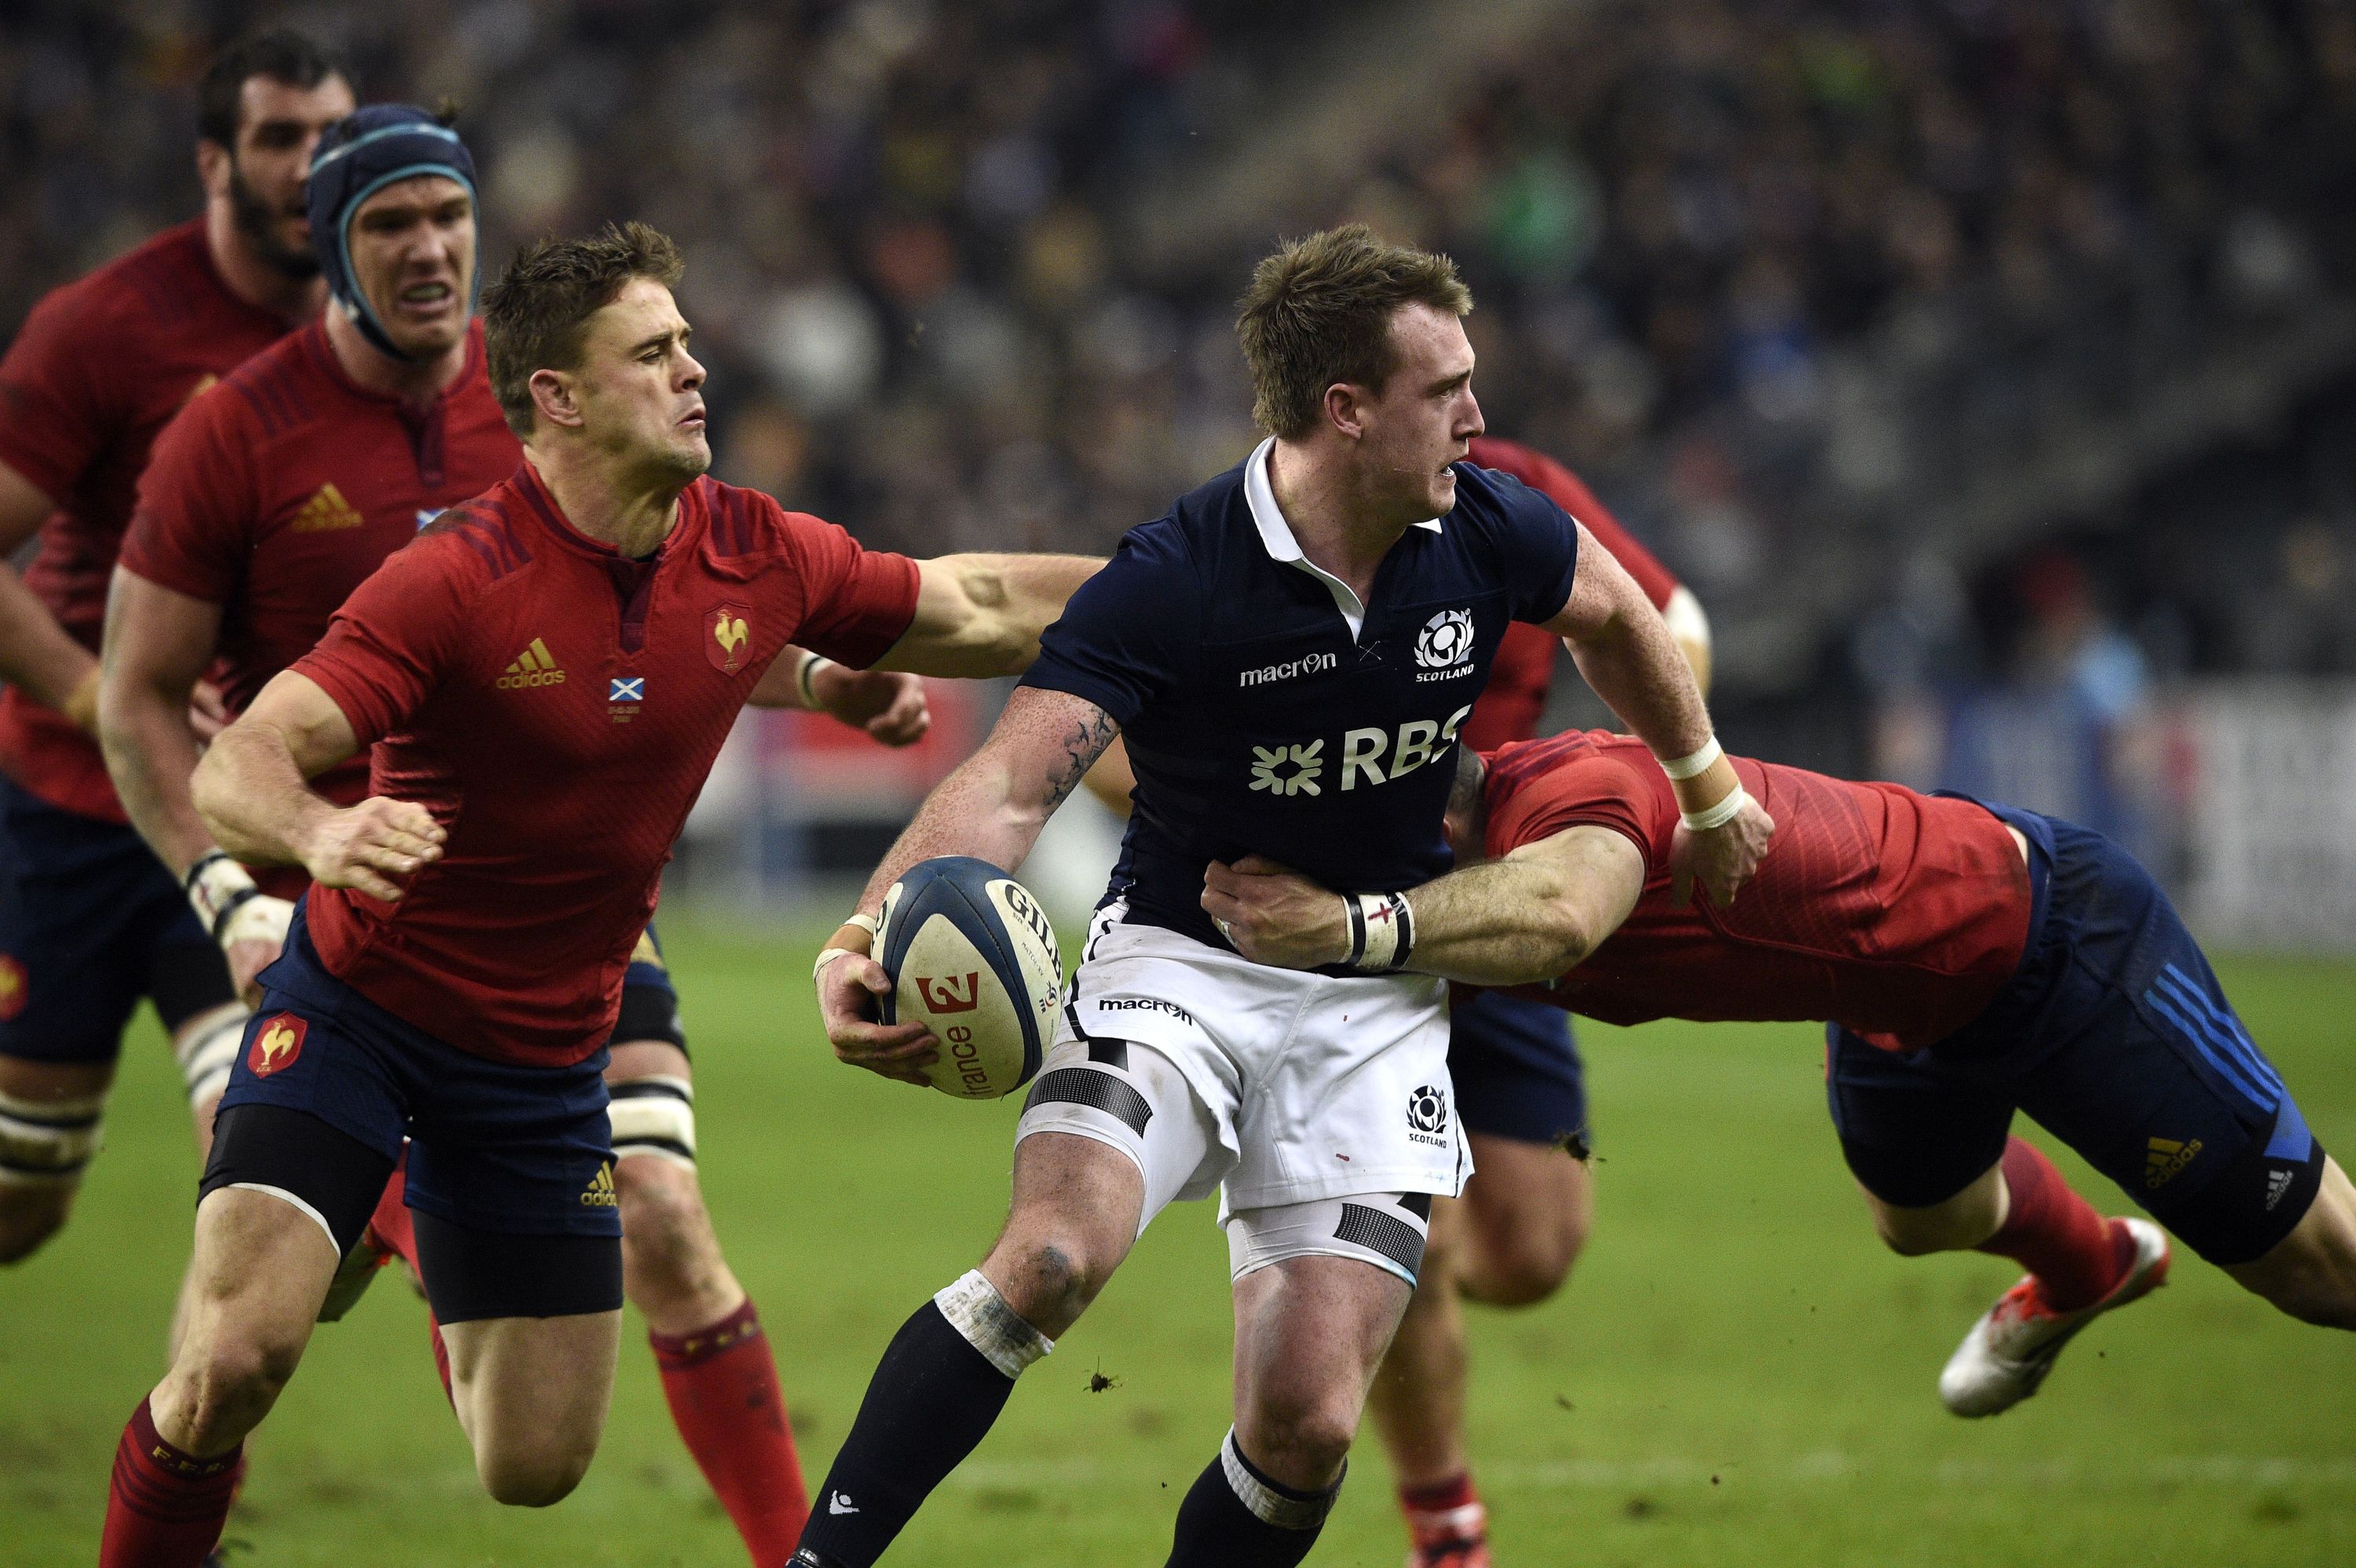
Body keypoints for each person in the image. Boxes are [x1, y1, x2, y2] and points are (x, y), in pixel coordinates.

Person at [95, 220, 1096, 1568]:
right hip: (359, 1018)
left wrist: (1200, 586)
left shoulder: (754, 550)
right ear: (556, 397)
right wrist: (320, 838)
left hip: (544, 1061)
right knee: (235, 1358)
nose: (695, 370)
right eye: (654, 351)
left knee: (534, 1464)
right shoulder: (452, 578)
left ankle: (397, 1212)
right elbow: (245, 757)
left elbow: (973, 600)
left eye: (688, 343)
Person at [796, 225, 1772, 1568]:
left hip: (1375, 1001)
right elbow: (1014, 784)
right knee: (1053, 1262)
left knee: (1309, 1423)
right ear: (1346, 411)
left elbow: (1617, 616)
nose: (1479, 419)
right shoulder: (1179, 573)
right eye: (1447, 392)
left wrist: (1709, 788)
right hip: (1179, 964)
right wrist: (864, 929)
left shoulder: (1490, 525)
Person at [1205, 730, 2356, 1437]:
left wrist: (1345, 925)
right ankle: (2091, 1264)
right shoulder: (1445, 892)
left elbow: (1560, 910)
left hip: (2055, 941)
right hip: (1897, 1008)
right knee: (1923, 1217)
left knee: (2319, 1272)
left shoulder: (1574, 801)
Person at [1083, 433, 1711, 1568]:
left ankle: (1365, 1279)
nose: (1456, 413)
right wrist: (1240, 804)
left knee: (1534, 1245)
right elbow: (1106, 724)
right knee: (1404, 1209)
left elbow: (1670, 619)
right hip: (1322, 923)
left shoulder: (1511, 498)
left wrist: (1616, 787)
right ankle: (1445, 1520)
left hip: (1488, 899)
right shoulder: (1250, 527)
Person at [0, 30, 350, 1263]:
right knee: (21, 1197)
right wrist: (103, 691)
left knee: (266, 1169)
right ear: (213, 160)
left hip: (244, 815)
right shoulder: (107, 326)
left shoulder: (387, 345)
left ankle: (198, 1449)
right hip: (70, 812)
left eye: (330, 138)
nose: (310, 165)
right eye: (276, 139)